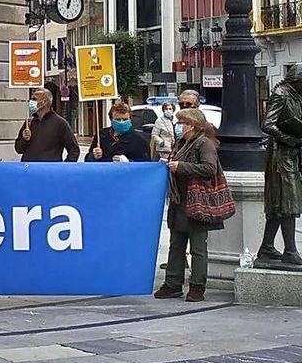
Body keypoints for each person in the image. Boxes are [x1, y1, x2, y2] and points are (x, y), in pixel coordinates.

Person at [155, 108, 223, 302]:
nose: (178, 127)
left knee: (198, 247)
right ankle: (173, 283)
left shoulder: (204, 143)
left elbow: (209, 168)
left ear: (191, 125)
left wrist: (181, 167)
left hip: (197, 202)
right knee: (176, 244)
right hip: (180, 201)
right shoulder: (182, 143)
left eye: (181, 123)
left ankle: (197, 286)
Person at [257, 68, 302, 265]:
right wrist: (289, 138)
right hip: (279, 156)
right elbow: (267, 124)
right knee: (287, 202)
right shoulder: (281, 94)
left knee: (279, 203)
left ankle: (267, 247)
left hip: (290, 154)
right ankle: (290, 250)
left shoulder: (296, 95)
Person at [15, 87, 79, 162]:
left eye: (34, 99)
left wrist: (63, 168)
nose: (31, 102)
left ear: (44, 102)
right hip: (29, 169)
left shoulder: (60, 123)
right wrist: (25, 140)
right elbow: (18, 149)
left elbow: (74, 150)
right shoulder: (29, 123)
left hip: (49, 171)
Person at [86, 100, 153, 162]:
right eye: (118, 119)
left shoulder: (140, 139)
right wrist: (93, 156)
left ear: (130, 119)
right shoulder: (101, 135)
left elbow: (146, 166)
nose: (121, 122)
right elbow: (87, 161)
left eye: (125, 119)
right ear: (111, 119)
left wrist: (128, 162)